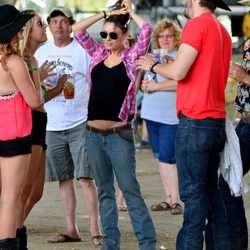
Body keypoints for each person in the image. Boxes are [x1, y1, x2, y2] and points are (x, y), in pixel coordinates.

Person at [136, 0, 232, 248]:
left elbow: (179, 72)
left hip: (196, 119)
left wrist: (154, 65)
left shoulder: (196, 25)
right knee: (211, 193)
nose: (184, 3)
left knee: (194, 195)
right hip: (214, 119)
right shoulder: (220, 28)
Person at [73, 0, 157, 249]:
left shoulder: (132, 57)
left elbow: (148, 30)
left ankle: (147, 243)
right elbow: (77, 30)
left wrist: (131, 12)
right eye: (104, 33)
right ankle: (111, 244)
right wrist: (106, 13)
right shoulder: (98, 53)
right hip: (92, 134)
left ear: (124, 35)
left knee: (130, 191)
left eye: (112, 34)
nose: (107, 38)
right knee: (105, 192)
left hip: (119, 135)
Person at [35, 6, 102, 246]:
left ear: (70, 24)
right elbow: (37, 87)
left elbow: (94, 81)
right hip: (52, 124)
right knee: (64, 179)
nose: (59, 26)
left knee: (85, 177)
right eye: (54, 22)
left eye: (63, 21)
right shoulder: (42, 52)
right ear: (49, 26)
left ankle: (95, 229)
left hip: (79, 121)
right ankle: (71, 228)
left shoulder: (82, 50)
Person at [16, 9, 68, 250]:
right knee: (24, 191)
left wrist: (55, 90)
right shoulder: (23, 60)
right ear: (27, 29)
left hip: (39, 122)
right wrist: (38, 74)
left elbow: (36, 98)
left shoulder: (31, 59)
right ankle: (13, 235)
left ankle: (13, 230)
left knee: (35, 192)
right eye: (40, 23)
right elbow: (32, 100)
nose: (45, 26)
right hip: (29, 125)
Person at [0, 5, 41, 249]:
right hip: (15, 132)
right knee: (11, 197)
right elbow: (35, 101)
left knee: (5, 196)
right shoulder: (13, 61)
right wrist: (34, 69)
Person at [140, 18, 182, 215]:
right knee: (160, 158)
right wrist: (146, 86)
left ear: (176, 38)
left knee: (169, 158)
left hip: (170, 116)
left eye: (169, 35)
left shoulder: (180, 56)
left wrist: (156, 86)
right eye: (161, 36)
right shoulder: (152, 56)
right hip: (151, 113)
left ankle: (176, 200)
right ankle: (168, 197)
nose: (165, 39)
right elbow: (146, 81)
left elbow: (180, 82)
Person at [219, 5, 250, 247]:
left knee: (228, 182)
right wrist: (239, 113)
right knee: (229, 181)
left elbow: (245, 79)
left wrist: (245, 77)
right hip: (246, 121)